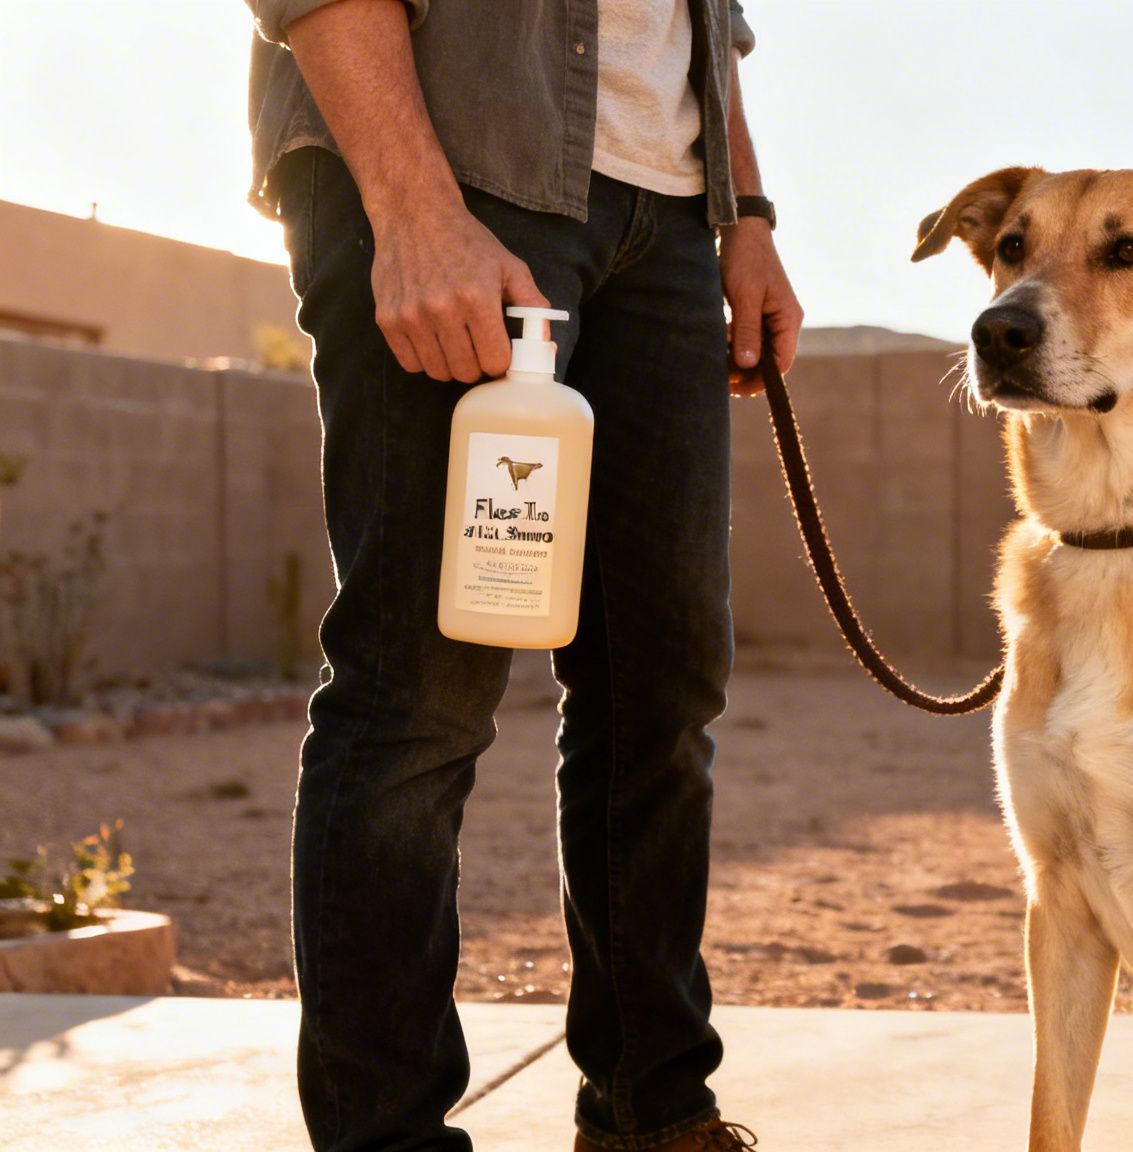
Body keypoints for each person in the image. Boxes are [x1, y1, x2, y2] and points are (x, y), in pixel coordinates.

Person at [244, 1, 800, 1148]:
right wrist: (410, 206)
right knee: (420, 689)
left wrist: (747, 217)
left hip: (669, 216)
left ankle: (654, 1112)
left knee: (663, 688)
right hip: (461, 166)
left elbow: (706, 26)